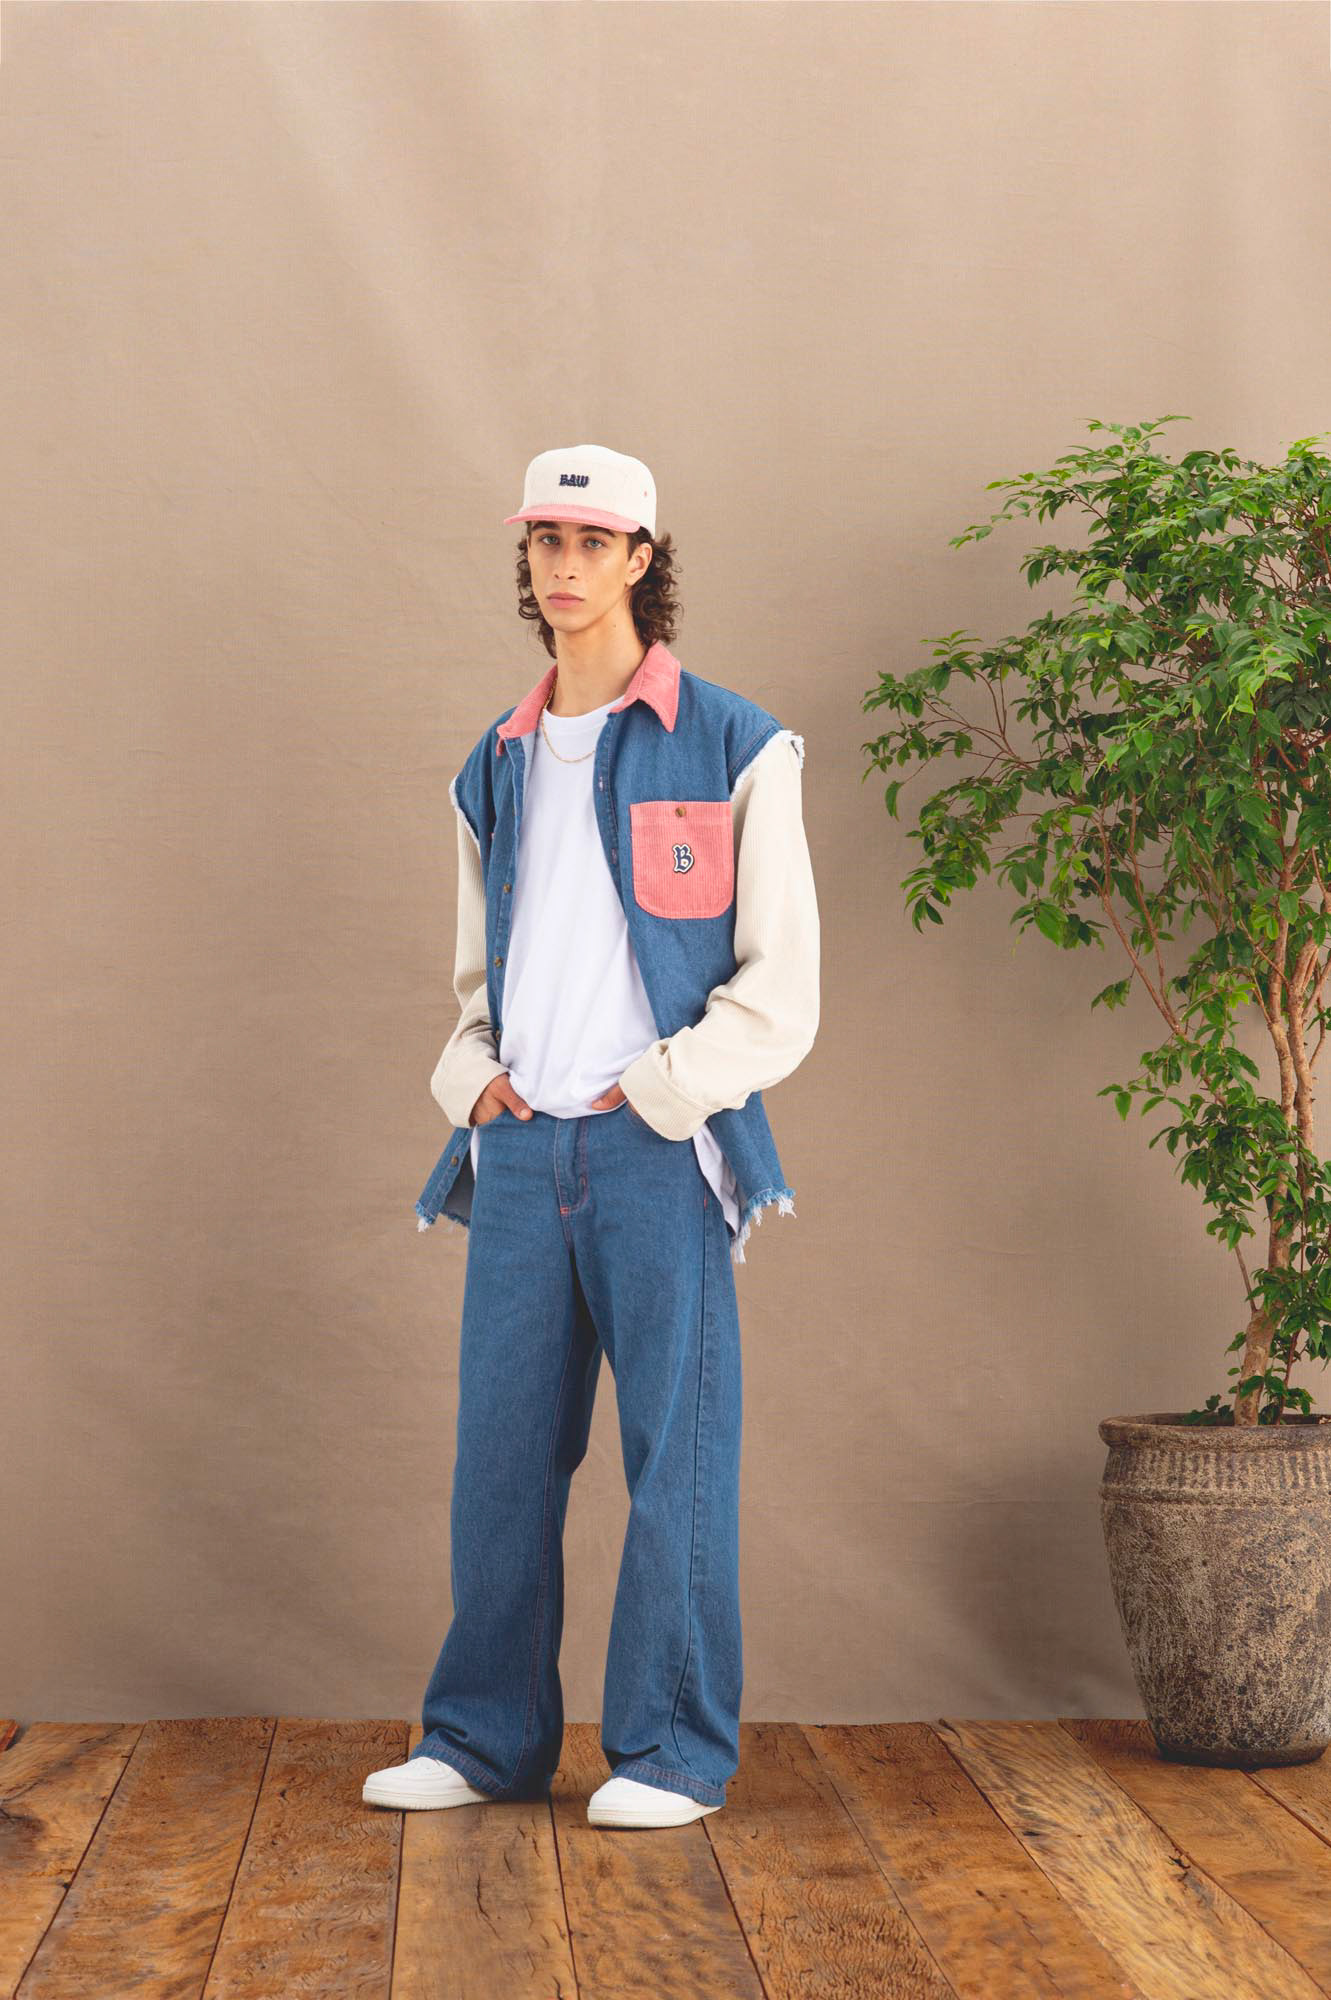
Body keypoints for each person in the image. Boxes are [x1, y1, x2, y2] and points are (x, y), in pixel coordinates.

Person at [363, 444, 820, 1829]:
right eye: (546, 540)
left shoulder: (735, 743)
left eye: (593, 541)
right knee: (500, 1463)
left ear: (641, 559)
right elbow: (476, 984)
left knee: (676, 1457)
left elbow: (782, 989)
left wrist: (666, 1092)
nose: (565, 565)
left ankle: (672, 1752)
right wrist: (471, 1082)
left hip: (657, 1154)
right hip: (517, 1158)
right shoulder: (495, 763)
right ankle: (481, 1740)